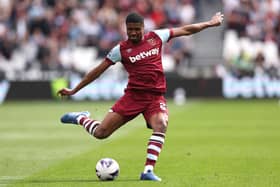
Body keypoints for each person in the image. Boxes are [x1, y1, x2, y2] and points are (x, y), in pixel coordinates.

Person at [57, 12, 224, 181]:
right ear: (126, 29)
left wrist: (210, 23)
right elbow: (97, 72)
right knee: (101, 133)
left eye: (137, 29)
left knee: (161, 124)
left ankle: (147, 171)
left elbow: (186, 30)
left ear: (143, 28)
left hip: (155, 97)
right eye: (130, 30)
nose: (134, 33)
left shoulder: (156, 37)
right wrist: (74, 90)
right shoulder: (120, 50)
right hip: (133, 97)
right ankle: (80, 118)